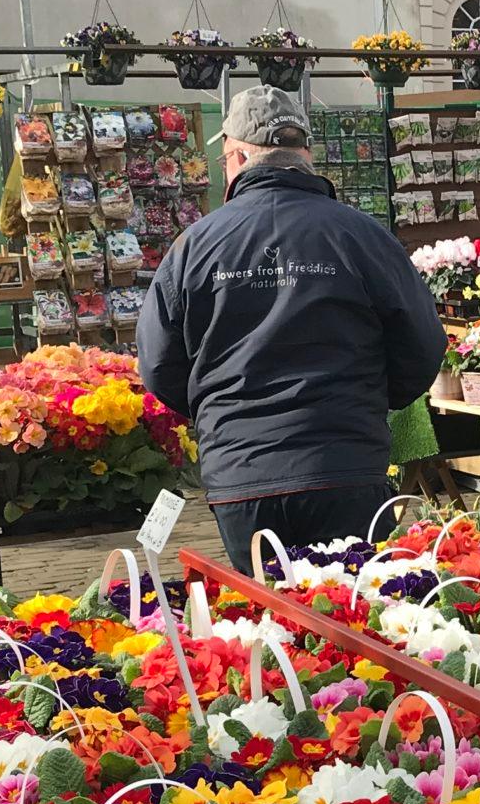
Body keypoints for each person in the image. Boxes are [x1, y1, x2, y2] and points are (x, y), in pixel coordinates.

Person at [137, 83, 446, 563]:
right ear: (304, 155)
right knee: (361, 622)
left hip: (241, 474)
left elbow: (159, 366)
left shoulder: (193, 247)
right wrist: (372, 401)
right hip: (346, 464)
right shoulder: (362, 235)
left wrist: (221, 415)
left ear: (236, 157)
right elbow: (424, 345)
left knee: (264, 623)